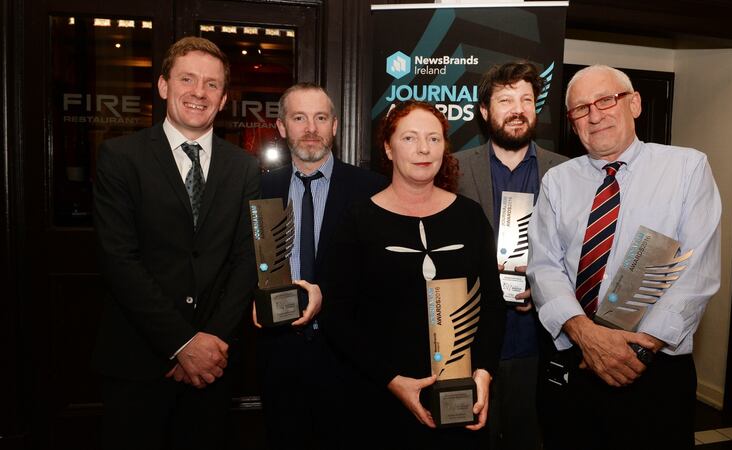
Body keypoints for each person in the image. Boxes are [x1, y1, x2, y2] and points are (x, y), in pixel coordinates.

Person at [528, 64, 721, 450]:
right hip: (577, 362)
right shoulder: (557, 181)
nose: (594, 115)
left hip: (655, 368)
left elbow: (696, 271)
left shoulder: (687, 168)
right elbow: (544, 267)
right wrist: (588, 337)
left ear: (634, 104)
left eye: (605, 100)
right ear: (572, 123)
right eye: (581, 108)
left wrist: (635, 348)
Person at [92, 36, 260, 450]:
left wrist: (210, 343)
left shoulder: (244, 167)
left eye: (211, 84)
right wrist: (182, 343)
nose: (199, 92)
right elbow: (119, 259)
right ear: (164, 85)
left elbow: (247, 259)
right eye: (187, 79)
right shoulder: (120, 158)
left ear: (223, 99)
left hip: (214, 365)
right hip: (138, 360)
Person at [322, 100, 506, 449]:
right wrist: (392, 380)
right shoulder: (358, 220)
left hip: (459, 401)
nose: (424, 149)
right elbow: (337, 316)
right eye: (409, 138)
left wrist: (483, 374)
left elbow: (493, 306)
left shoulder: (470, 217)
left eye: (434, 139)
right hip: (379, 399)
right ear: (388, 148)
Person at [258, 82, 386, 450]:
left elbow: (380, 274)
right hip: (280, 354)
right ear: (282, 127)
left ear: (335, 125)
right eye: (299, 118)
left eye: (321, 118)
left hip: (347, 356)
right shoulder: (262, 187)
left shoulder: (373, 189)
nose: (311, 128)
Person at [456, 61, 567, 450]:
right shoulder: (454, 168)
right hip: (469, 341)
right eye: (505, 100)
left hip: (537, 344)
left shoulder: (565, 172)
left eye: (526, 100)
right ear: (485, 111)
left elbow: (579, 255)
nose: (518, 109)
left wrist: (544, 287)